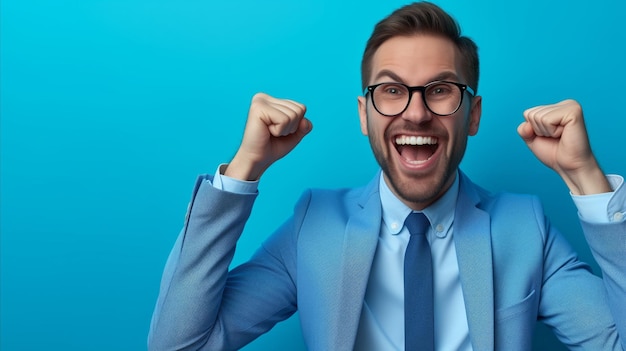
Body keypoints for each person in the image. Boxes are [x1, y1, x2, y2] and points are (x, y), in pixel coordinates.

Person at [148, 2, 625, 350]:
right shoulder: (315, 225)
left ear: (473, 115)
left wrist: (586, 179)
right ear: (364, 115)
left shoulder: (525, 226)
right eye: (392, 90)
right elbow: (179, 345)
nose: (415, 114)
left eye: (440, 90)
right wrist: (244, 170)